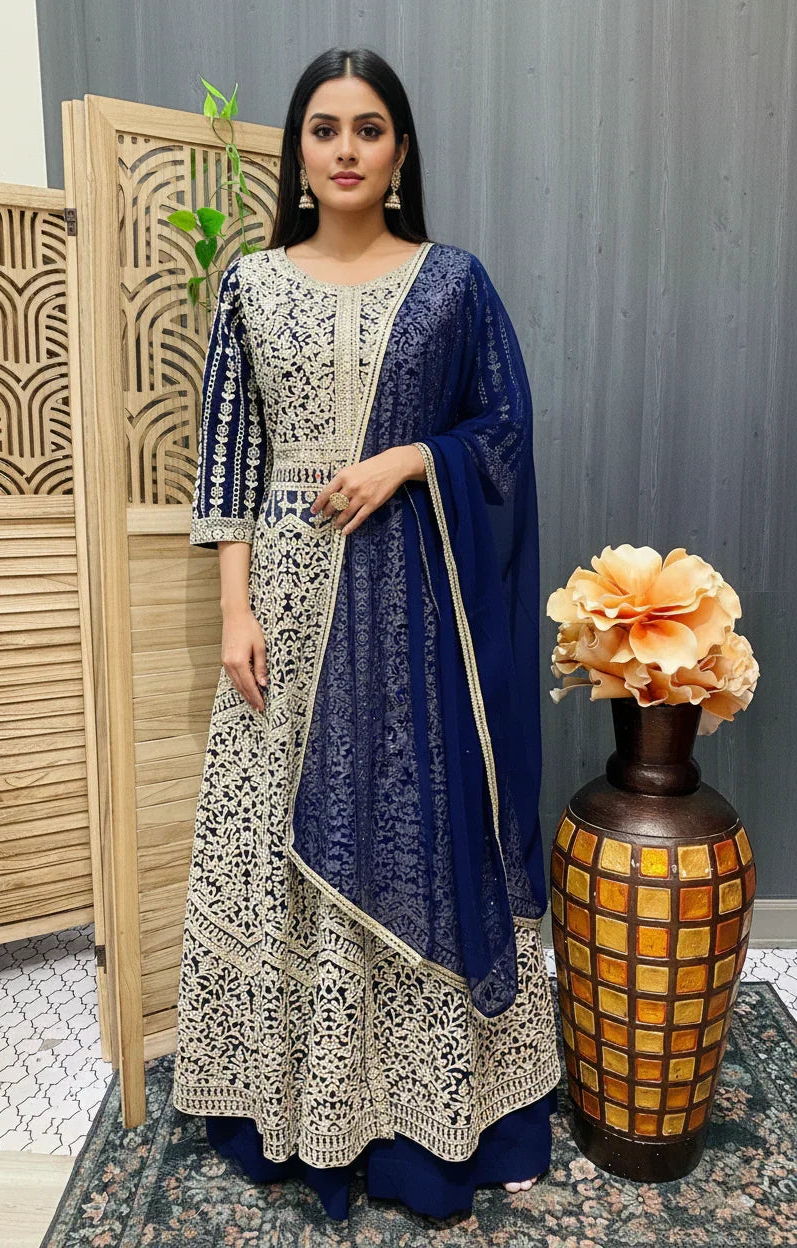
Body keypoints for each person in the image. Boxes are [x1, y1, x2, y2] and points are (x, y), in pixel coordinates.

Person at [172, 45, 562, 1222]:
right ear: (298, 152)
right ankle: (294, 1108)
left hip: (413, 602)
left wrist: (408, 457)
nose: (345, 148)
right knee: (277, 830)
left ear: (400, 154)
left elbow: (500, 427)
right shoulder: (248, 284)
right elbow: (230, 459)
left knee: (410, 819)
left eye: (370, 128)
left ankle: (433, 1124)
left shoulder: (452, 283)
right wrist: (233, 608)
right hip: (286, 603)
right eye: (325, 128)